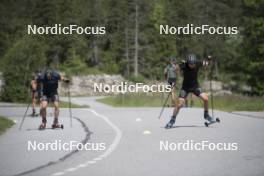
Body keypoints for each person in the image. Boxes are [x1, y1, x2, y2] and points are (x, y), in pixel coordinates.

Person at [165, 54, 214, 128]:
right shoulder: (184, 65)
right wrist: (179, 65)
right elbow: (175, 70)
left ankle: (206, 115)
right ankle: (172, 120)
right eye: (190, 64)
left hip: (195, 86)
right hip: (185, 88)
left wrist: (210, 60)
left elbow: (207, 64)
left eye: (193, 63)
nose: (192, 65)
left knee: (206, 98)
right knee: (180, 104)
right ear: (188, 62)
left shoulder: (197, 63)